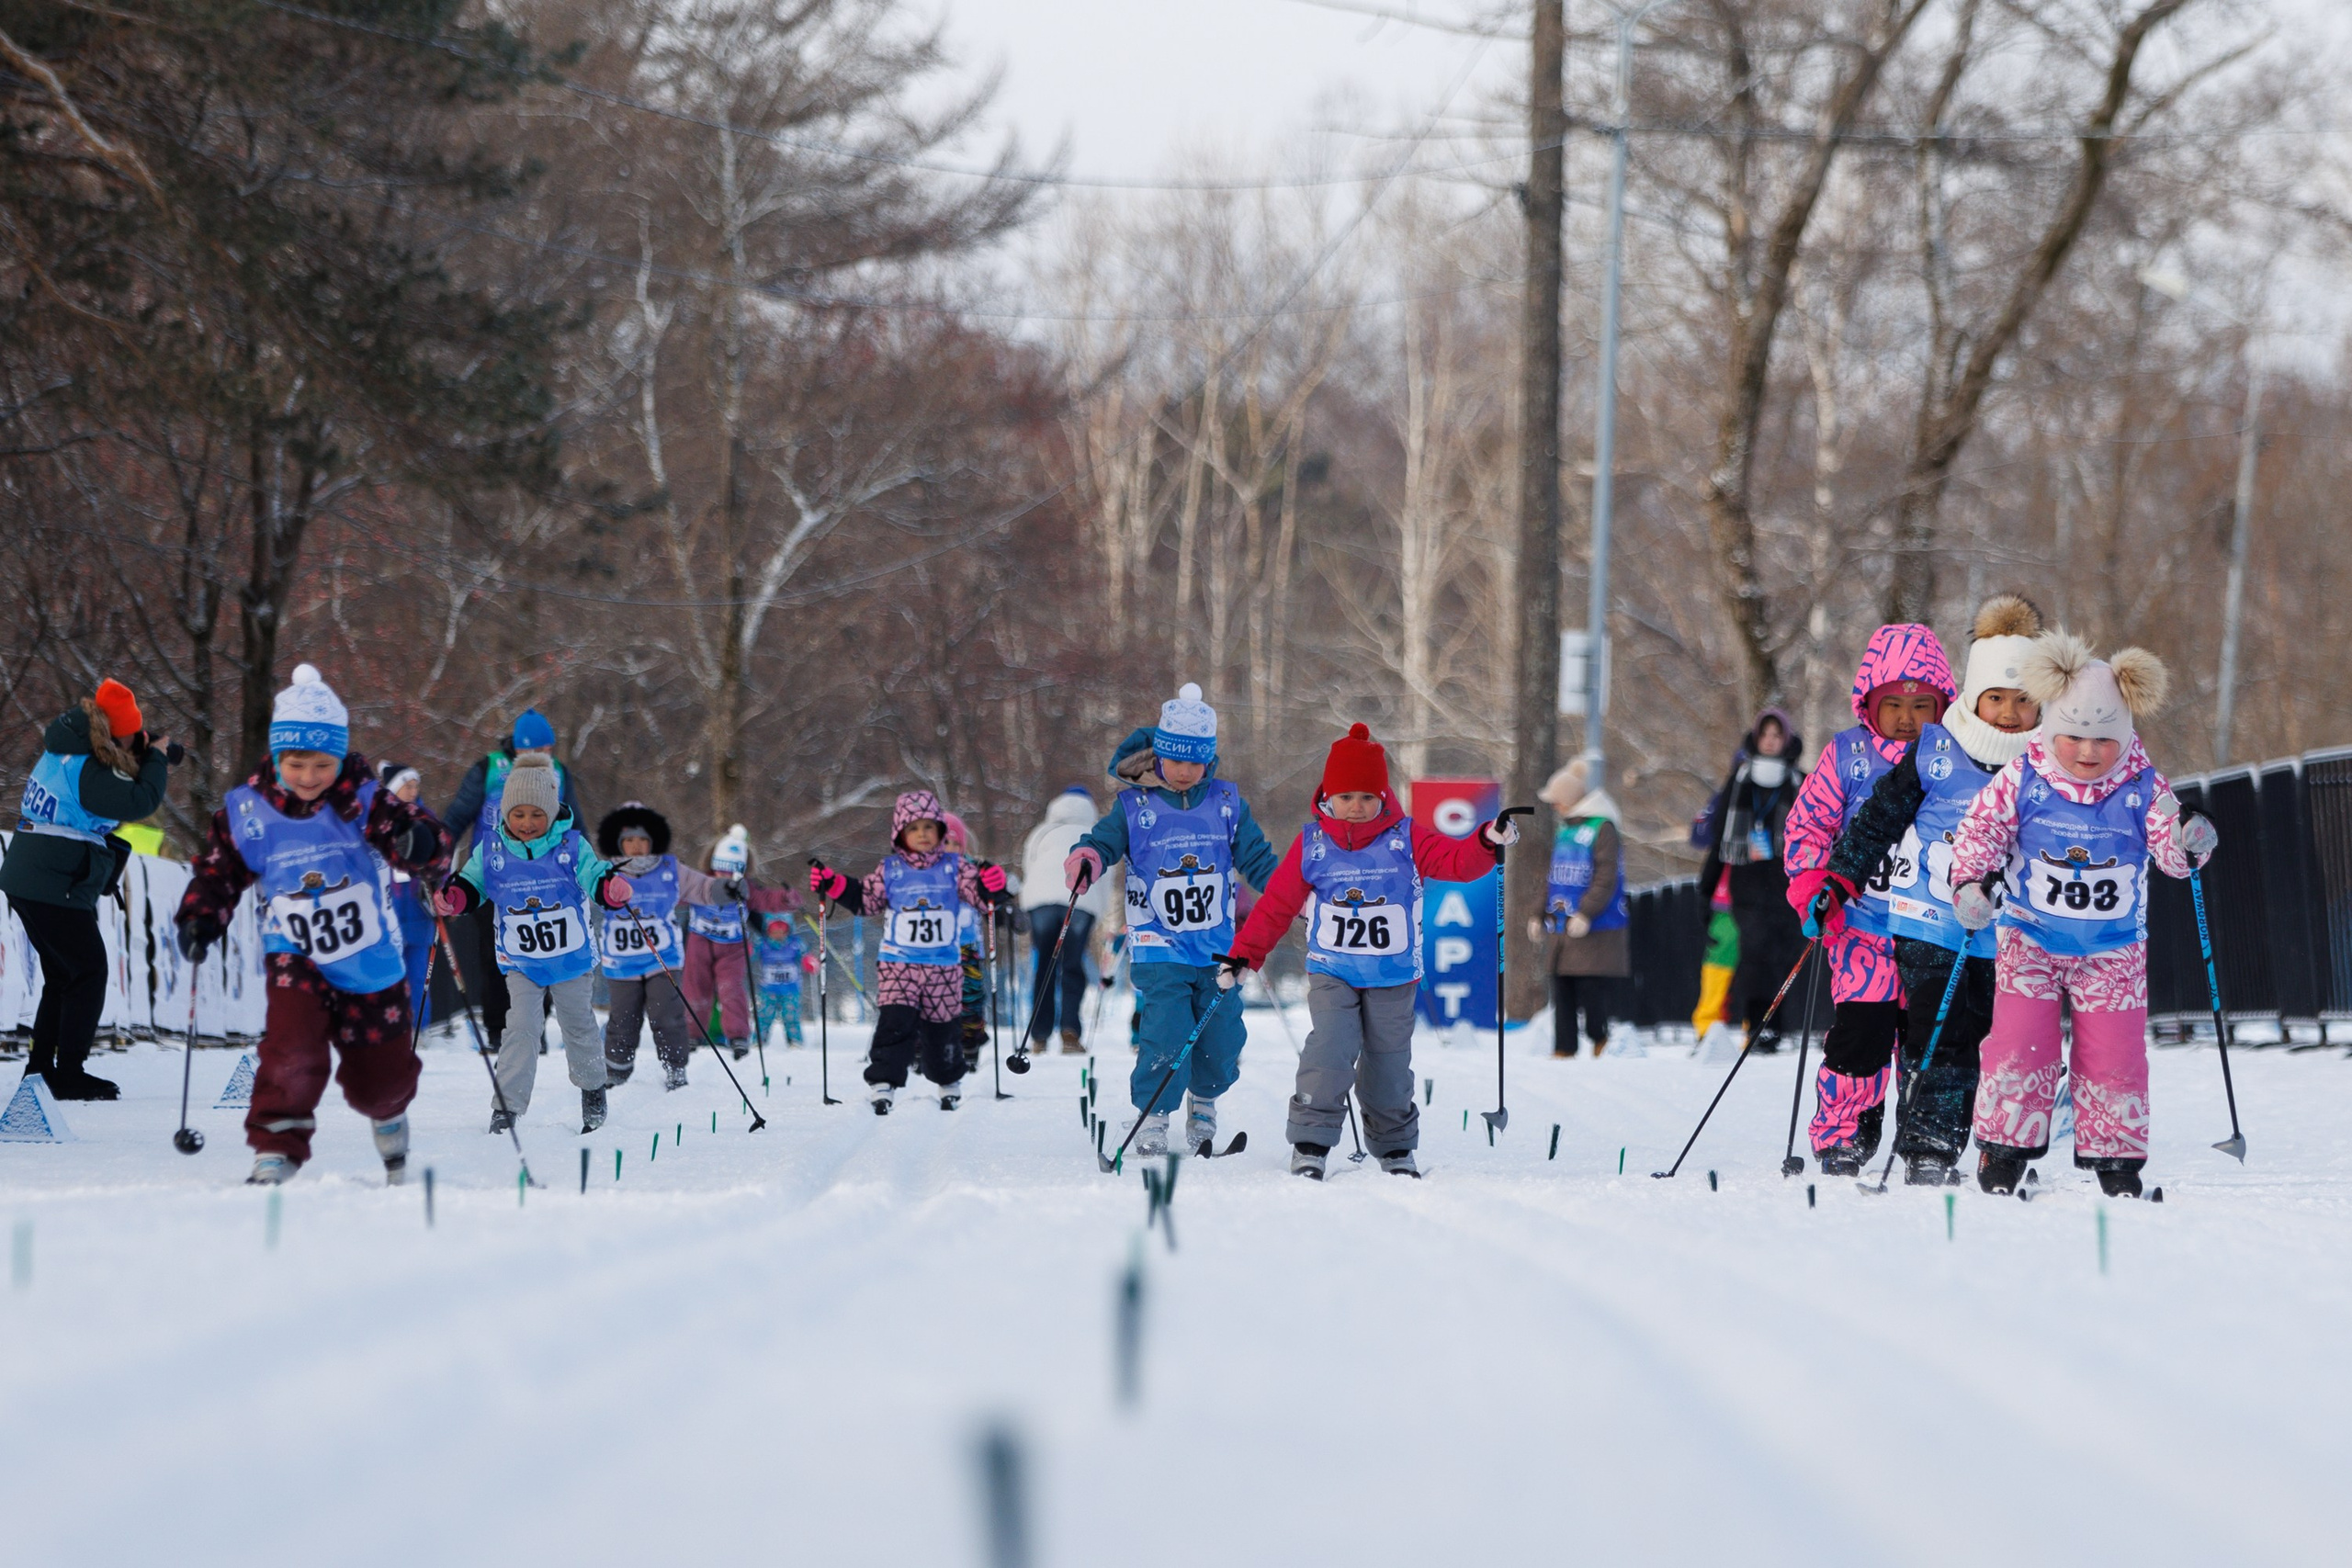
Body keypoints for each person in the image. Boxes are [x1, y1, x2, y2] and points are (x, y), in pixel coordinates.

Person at [1948, 632, 2211, 1198]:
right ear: (2050, 730)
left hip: (2112, 947)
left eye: (2102, 741)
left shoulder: (2142, 784)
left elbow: (2171, 848)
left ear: (2124, 735)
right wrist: (1972, 881)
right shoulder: (2024, 777)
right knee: (2019, 1044)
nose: (2087, 753)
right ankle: (2004, 1147)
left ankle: (2116, 1158)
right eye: (2072, 738)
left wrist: (2191, 838)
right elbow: (1980, 830)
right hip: (2030, 939)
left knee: (2114, 1051)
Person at [174, 665, 449, 1184]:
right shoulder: (248, 810)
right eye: (295, 764)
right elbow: (219, 868)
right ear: (277, 757)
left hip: (367, 958)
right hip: (295, 953)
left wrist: (422, 843)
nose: (307, 777)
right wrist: (200, 917)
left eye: (321, 764)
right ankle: (275, 1146)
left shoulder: (360, 798)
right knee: (290, 1049)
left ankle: (389, 1113)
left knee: (381, 1081)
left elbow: (417, 835)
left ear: (339, 758)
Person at [1219, 724, 1515, 1178]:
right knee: (1331, 1049)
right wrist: (1245, 954)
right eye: (1346, 797)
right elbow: (1278, 904)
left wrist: (1485, 841)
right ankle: (1311, 1142)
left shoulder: (1406, 837)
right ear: (1327, 798)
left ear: (1382, 797)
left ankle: (1395, 1146)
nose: (1356, 807)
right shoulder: (1313, 843)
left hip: (1393, 976)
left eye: (1366, 797)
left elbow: (1456, 862)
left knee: (1388, 1063)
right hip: (1332, 971)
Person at [1820, 596, 2045, 1183]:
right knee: (1935, 1031)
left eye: (2024, 701)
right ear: (1973, 698)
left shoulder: (2053, 759)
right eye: (1995, 698)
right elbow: (1880, 816)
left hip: (2017, 931)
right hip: (1930, 919)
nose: (2008, 713)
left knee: (1999, 1039)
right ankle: (1930, 1146)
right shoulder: (1936, 748)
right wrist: (1838, 878)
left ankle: (2014, 1140)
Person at [1063, 683, 1280, 1158]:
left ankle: (1204, 1105)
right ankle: (1154, 1114)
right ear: (1159, 755)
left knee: (1223, 1037)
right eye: (1175, 760)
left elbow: (1257, 859)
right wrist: (1087, 860)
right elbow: (1101, 844)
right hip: (1158, 942)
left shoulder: (1226, 804)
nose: (1184, 771)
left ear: (1209, 760)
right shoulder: (1133, 806)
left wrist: (1290, 893)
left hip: (1218, 947)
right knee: (1165, 1030)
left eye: (1195, 762)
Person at [1785, 625, 1958, 1175]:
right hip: (1861, 928)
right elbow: (1807, 826)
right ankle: (1847, 1130)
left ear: (1943, 706)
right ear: (1869, 704)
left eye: (1921, 705)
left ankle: (1926, 1136)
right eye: (1894, 705)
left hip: (1935, 929)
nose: (1908, 718)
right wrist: (1815, 886)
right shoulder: (1848, 755)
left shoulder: (1956, 759)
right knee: (1863, 1028)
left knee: (1928, 1037)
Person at [432, 753, 632, 1134]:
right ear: (506, 813)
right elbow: (470, 885)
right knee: (521, 1026)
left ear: (553, 812)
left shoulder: (571, 846)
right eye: (518, 814)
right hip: (521, 960)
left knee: (578, 1025)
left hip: (570, 960)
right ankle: (506, 1108)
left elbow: (595, 877)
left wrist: (609, 888)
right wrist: (453, 897)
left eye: (537, 814)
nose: (527, 823)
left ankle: (592, 1090)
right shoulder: (491, 850)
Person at [3, 679, 179, 1099]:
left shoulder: (69, 749)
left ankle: (41, 1069)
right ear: (114, 733)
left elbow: (113, 773)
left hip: (30, 876)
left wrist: (143, 748)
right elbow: (139, 802)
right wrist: (155, 757)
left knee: (63, 975)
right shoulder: (87, 769)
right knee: (88, 971)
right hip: (52, 880)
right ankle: (69, 1073)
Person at [808, 789, 1011, 1112]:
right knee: (895, 1021)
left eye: (929, 827)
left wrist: (993, 884)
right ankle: (883, 1080)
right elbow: (865, 899)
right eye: (914, 828)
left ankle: (948, 1079)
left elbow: (981, 896)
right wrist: (832, 883)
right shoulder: (890, 869)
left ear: (942, 832)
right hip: (899, 963)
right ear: (900, 834)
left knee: (943, 1026)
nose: (923, 835)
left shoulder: (955, 868)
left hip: (943, 965)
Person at [439, 709, 582, 1054]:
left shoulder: (558, 772)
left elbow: (575, 823)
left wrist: (583, 869)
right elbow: (457, 817)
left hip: (545, 882)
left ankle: (534, 1032)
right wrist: (438, 862)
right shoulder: (489, 769)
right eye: (536, 752)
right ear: (518, 749)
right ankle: (495, 1032)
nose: (543, 759)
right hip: (493, 877)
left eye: (548, 751)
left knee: (543, 956)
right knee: (495, 958)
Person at [594, 802, 741, 1090]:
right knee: (623, 1018)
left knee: (667, 1014)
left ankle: (675, 1066)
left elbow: (701, 888)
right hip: (621, 962)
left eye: (643, 840)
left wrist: (728, 890)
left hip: (662, 958)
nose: (637, 847)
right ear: (619, 842)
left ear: (653, 841)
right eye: (630, 841)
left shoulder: (669, 869)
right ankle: (617, 1069)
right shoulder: (605, 870)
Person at [1695, 709, 1806, 1053]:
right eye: (1765, 735)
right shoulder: (1741, 779)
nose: (1770, 742)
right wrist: (1707, 887)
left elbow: (1814, 831)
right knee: (1755, 955)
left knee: (1783, 956)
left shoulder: (1799, 781)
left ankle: (1776, 1028)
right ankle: (1758, 1027)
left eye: (1777, 736)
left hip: (1787, 883)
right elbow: (1718, 835)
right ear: (1756, 739)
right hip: (1748, 883)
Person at [1532, 759, 1627, 1058]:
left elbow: (1606, 876)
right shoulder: (1565, 831)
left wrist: (1586, 912)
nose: (1554, 806)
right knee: (1562, 988)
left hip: (1596, 927)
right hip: (1563, 926)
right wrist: (1538, 913)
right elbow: (1553, 877)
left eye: (1557, 800)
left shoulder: (1602, 829)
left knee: (1591, 987)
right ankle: (1564, 1047)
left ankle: (1601, 1041)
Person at [679, 824, 796, 1057]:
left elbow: (765, 899)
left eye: (733, 869)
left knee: (731, 989)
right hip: (700, 941)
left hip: (732, 946)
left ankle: (738, 1035)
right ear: (713, 863)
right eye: (721, 868)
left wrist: (785, 899)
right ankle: (692, 1033)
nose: (725, 874)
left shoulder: (745, 886)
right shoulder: (701, 881)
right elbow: (677, 893)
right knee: (695, 988)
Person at [1020, 785, 1114, 1052]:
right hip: (1081, 902)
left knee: (1044, 967)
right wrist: (1099, 911)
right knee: (1072, 965)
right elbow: (1105, 877)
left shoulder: (1042, 831)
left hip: (1041, 904)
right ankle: (1070, 1032)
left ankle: (1038, 1035)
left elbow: (1029, 865)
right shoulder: (1097, 833)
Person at [377, 761, 438, 1033]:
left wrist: (440, 890)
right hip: (389, 912)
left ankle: (418, 1028)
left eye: (415, 786)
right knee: (390, 973)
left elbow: (442, 859)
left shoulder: (425, 818)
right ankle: (389, 1025)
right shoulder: (378, 821)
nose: (413, 791)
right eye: (407, 786)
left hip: (418, 912)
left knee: (417, 974)